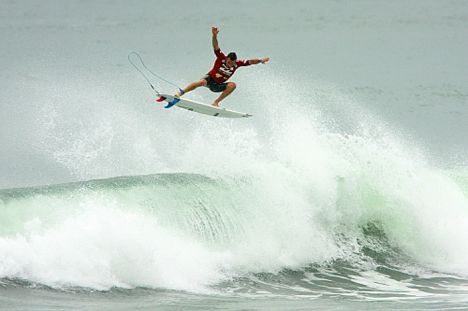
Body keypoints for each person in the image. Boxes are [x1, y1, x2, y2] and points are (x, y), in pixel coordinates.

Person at [175, 26, 270, 107]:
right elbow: (216, 46)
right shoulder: (221, 57)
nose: (230, 64)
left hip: (218, 86)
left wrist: (260, 60)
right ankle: (180, 93)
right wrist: (214, 36)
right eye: (229, 62)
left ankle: (216, 102)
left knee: (233, 85)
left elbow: (250, 61)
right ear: (227, 58)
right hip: (209, 79)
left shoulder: (237, 63)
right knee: (201, 82)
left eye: (232, 63)